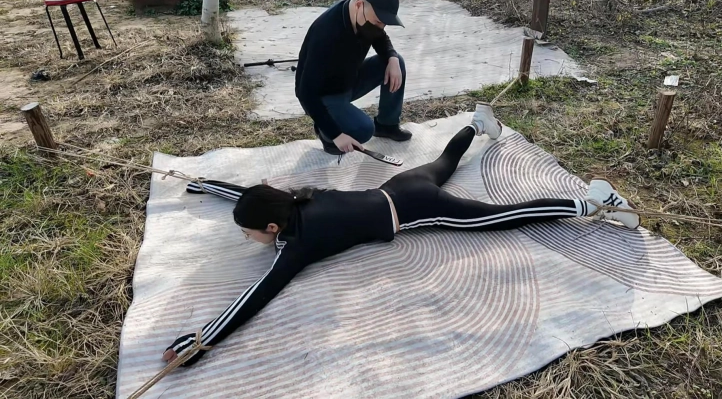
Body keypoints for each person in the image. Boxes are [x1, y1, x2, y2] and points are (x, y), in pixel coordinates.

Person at [162, 103, 642, 366]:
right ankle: (477, 123)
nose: (249, 240)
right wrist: (202, 183)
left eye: (249, 234)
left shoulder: (297, 245)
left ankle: (593, 202)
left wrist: (202, 341)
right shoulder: (294, 200)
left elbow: (256, 295)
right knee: (446, 162)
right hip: (400, 186)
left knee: (500, 217)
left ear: (272, 228)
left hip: (418, 209)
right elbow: (248, 194)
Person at [295, 0, 411, 156]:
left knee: (397, 62)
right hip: (325, 95)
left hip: (350, 80)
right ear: (358, 5)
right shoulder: (326, 33)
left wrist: (392, 57)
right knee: (364, 130)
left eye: (384, 23)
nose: (381, 27)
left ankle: (387, 125)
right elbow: (305, 93)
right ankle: (326, 134)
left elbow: (379, 37)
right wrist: (336, 134)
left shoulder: (364, 19)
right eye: (378, 21)